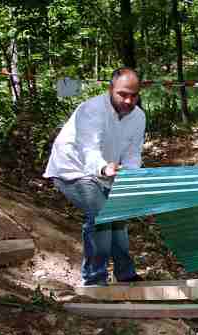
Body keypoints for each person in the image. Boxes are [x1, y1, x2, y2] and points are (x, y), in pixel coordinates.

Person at [44, 68, 146, 286]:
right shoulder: (92, 110)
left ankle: (126, 275)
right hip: (73, 169)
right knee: (102, 215)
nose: (128, 100)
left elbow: (132, 152)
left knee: (118, 216)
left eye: (133, 95)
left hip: (106, 174)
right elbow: (89, 149)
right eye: (122, 94)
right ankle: (94, 279)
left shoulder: (138, 116)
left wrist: (133, 176)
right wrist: (103, 168)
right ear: (111, 89)